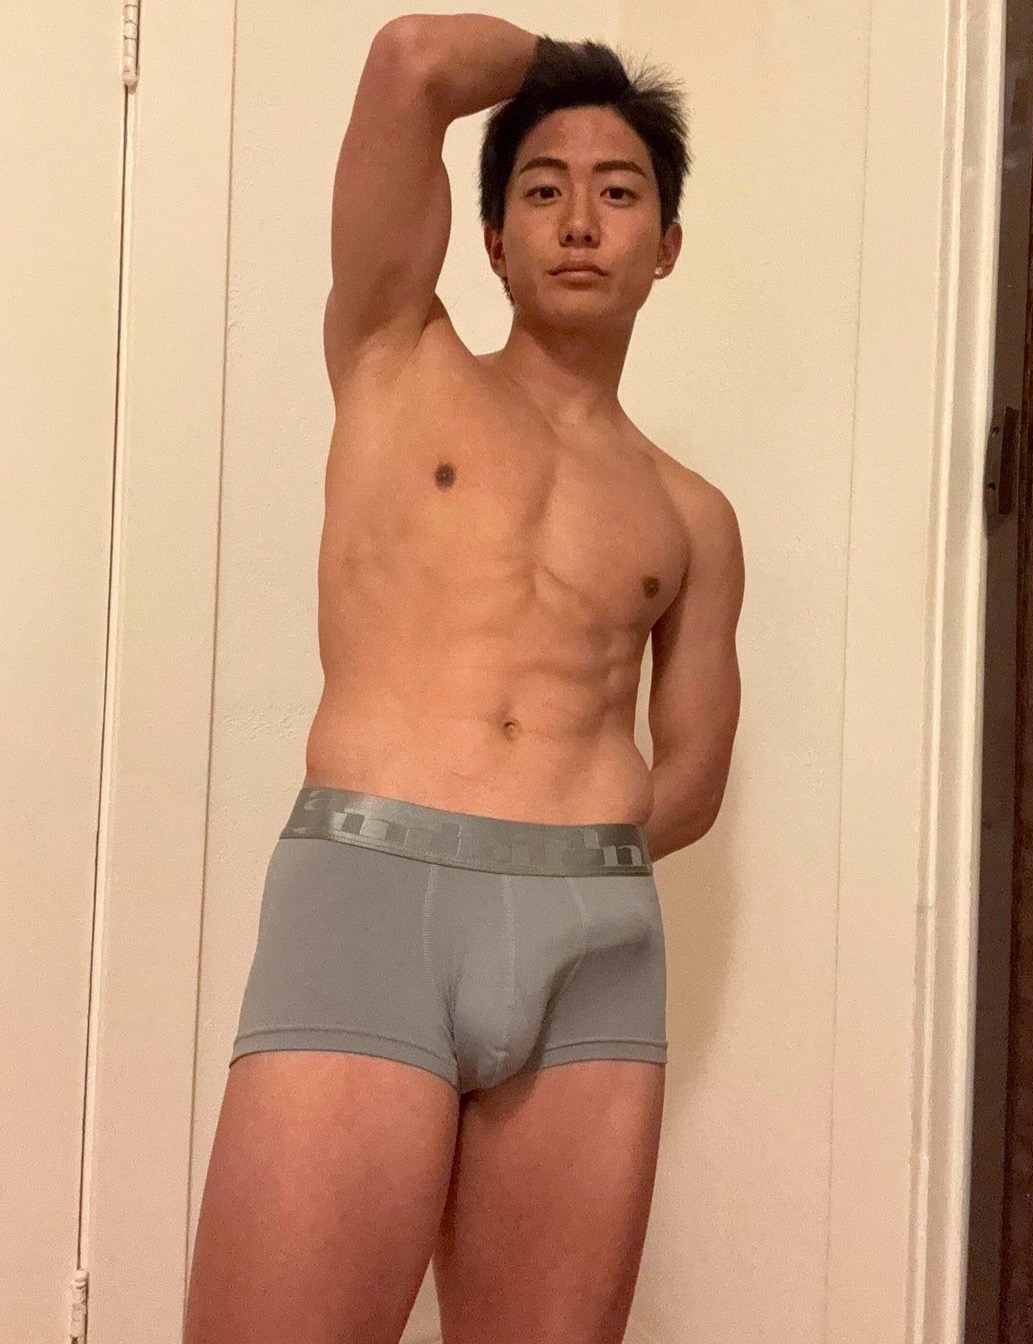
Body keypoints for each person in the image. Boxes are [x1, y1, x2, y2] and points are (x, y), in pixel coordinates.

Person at [184, 13, 744, 1344]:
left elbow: (696, 770)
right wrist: (570, 70)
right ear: (489, 238)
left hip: (593, 941)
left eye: (620, 194)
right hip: (372, 895)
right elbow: (412, 63)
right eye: (542, 191)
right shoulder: (396, 352)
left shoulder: (691, 516)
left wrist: (571, 842)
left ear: (668, 246)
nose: (580, 221)